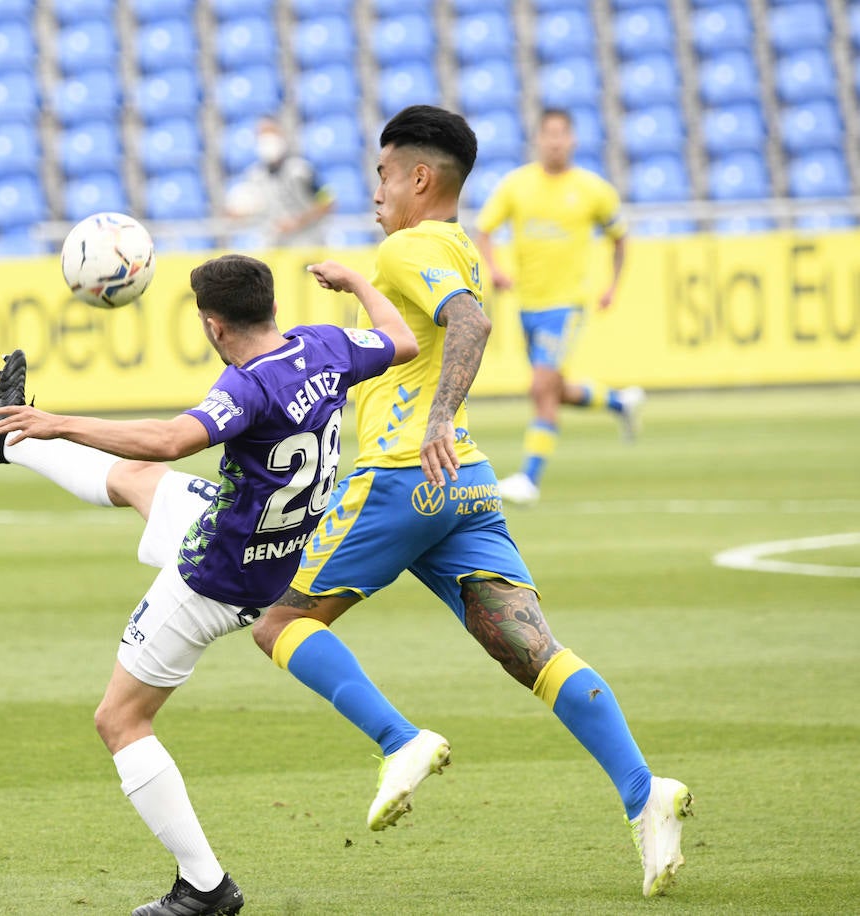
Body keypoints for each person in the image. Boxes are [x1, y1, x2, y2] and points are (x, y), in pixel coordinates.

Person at [249, 105, 694, 898]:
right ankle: (643, 792)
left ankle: (399, 739)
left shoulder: (411, 243)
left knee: (279, 622)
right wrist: (356, 285)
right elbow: (435, 324)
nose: (375, 186)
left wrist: (440, 415)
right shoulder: (453, 244)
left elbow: (470, 322)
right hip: (465, 485)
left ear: (420, 177)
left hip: (399, 475)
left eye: (384, 172)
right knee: (533, 651)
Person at [0, 253, 419, 916]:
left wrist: (62, 420)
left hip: (213, 576)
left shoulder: (248, 387)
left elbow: (169, 438)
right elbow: (404, 341)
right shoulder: (324, 346)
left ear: (213, 326)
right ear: (271, 307)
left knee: (120, 720)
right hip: (269, 547)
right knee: (130, 482)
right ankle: (10, 436)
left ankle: (205, 886)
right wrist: (356, 284)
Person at [472, 108, 645, 506]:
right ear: (538, 139)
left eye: (561, 134)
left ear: (572, 140)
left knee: (540, 388)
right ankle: (621, 402)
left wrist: (611, 286)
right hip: (527, 304)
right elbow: (484, 230)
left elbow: (620, 238)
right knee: (553, 388)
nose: (554, 141)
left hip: (566, 304)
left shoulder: (592, 189)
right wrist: (494, 270)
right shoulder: (517, 185)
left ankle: (529, 478)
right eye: (547, 134)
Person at [224, 117, 336, 248]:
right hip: (274, 247)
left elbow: (328, 201)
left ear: (281, 135)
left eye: (270, 132)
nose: (266, 139)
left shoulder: (301, 169)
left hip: (306, 245)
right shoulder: (255, 175)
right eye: (261, 134)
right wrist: (238, 214)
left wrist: (297, 222)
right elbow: (250, 209)